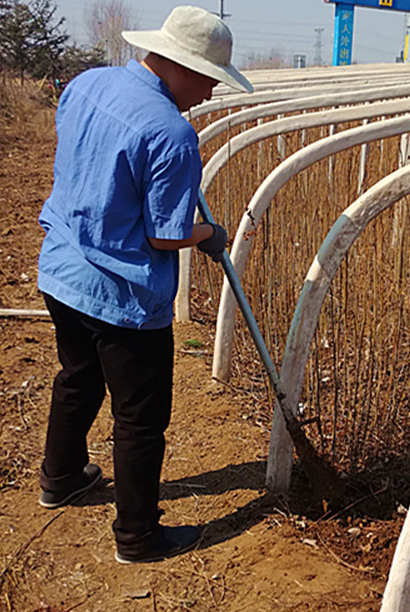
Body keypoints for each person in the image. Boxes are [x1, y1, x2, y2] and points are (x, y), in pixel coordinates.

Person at [36, 6, 252, 564]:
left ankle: (59, 478)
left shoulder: (87, 84)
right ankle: (138, 536)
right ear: (179, 64)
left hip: (62, 271)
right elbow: (165, 235)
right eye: (208, 78)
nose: (208, 93)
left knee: (77, 377)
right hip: (121, 295)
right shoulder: (172, 133)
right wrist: (210, 231)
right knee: (139, 416)